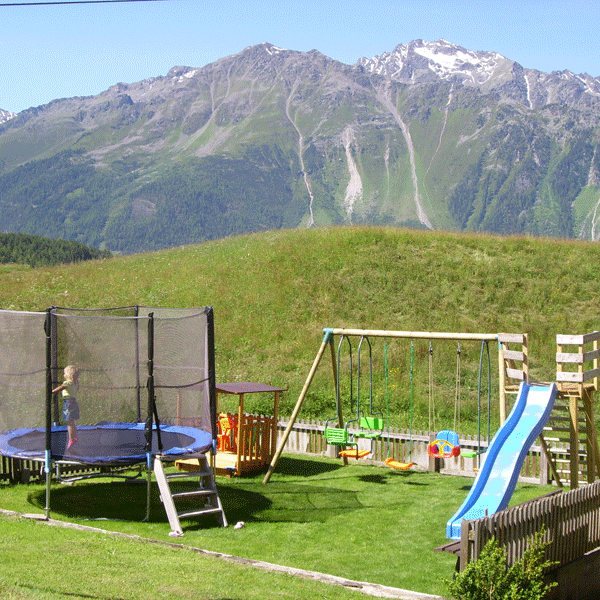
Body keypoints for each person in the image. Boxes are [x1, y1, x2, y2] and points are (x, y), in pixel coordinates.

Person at [52, 365, 80, 449]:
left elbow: (62, 387)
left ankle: (71, 439)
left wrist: (52, 391)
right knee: (72, 421)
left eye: (65, 373)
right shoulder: (75, 383)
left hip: (68, 403)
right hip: (74, 402)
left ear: (68, 375)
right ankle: (74, 437)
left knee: (69, 422)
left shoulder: (67, 382)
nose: (63, 374)